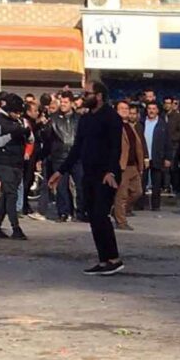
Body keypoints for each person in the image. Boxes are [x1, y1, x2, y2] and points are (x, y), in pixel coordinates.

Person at [51, 81, 126, 275]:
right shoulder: (85, 119)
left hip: (107, 175)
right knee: (92, 216)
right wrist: (60, 171)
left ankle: (114, 258)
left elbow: (115, 147)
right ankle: (103, 260)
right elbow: (77, 148)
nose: (84, 97)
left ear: (99, 96)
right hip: (89, 173)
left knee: (101, 215)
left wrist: (110, 171)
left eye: (88, 94)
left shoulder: (111, 118)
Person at [0, 93, 31, 239]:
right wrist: (11, 136)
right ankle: (16, 227)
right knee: (11, 194)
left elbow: (30, 139)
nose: (18, 114)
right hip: (3, 162)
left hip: (17, 161)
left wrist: (28, 133)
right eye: (16, 111)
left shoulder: (19, 120)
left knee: (6, 195)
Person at [41, 91, 78, 221]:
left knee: (81, 185)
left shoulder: (79, 118)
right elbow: (47, 139)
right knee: (61, 186)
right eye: (61, 102)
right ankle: (63, 212)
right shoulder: (54, 118)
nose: (63, 105)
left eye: (66, 102)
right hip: (59, 156)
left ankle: (81, 211)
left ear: (72, 103)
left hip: (76, 156)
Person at [115, 102, 146, 230]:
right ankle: (121, 221)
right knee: (121, 195)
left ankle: (118, 211)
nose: (125, 111)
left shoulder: (131, 126)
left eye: (126, 108)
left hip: (134, 165)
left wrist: (141, 163)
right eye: (121, 108)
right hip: (122, 166)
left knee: (137, 192)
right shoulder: (114, 126)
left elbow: (138, 146)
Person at [140, 102, 172, 211]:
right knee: (142, 182)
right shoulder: (142, 123)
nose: (151, 111)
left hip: (157, 156)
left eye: (154, 108)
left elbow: (168, 142)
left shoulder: (162, 124)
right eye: (149, 108)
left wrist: (168, 157)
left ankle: (155, 205)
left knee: (156, 183)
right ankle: (140, 204)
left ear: (157, 110)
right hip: (144, 157)